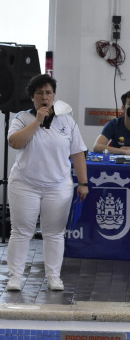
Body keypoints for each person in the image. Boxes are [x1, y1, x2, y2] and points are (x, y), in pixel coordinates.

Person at [7, 74, 89, 292]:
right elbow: (15, 143)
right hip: (25, 184)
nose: (45, 96)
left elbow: (78, 153)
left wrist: (84, 182)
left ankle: (54, 276)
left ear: (54, 96)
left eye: (48, 92)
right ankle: (15, 277)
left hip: (58, 185)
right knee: (21, 231)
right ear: (32, 97)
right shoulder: (22, 118)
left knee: (54, 232)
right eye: (40, 93)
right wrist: (37, 122)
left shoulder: (67, 121)